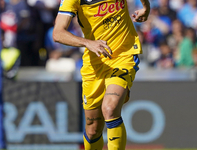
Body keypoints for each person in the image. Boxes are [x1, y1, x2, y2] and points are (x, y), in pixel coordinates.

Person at [53, 0, 150, 149]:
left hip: (123, 55)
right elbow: (58, 33)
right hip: (95, 64)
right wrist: (87, 43)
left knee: (110, 108)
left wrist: (146, 7)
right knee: (92, 129)